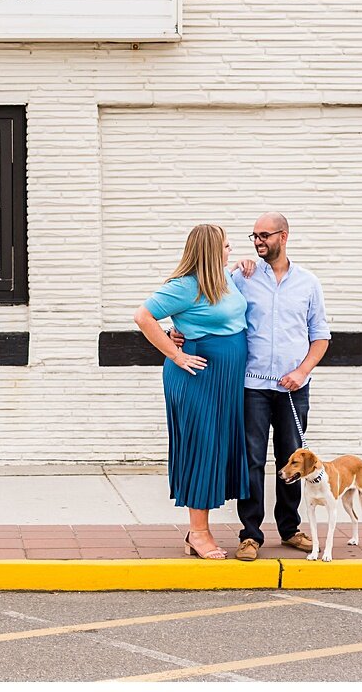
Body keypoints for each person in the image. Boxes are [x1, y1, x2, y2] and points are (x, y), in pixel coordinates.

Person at [132, 223, 250, 560]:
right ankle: (198, 533)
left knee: (218, 448)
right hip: (198, 377)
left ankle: (198, 530)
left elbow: (228, 290)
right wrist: (175, 352)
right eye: (226, 246)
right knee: (203, 448)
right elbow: (143, 316)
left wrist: (242, 264)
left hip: (224, 379)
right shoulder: (184, 287)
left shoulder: (222, 278)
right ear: (211, 251)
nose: (230, 250)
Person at [227, 212, 331, 559]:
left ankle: (289, 530)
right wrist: (231, 269)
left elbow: (320, 337)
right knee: (252, 460)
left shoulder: (308, 283)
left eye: (264, 235)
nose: (258, 241)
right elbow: (209, 299)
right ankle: (250, 534)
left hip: (293, 388)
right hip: (252, 385)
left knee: (293, 460)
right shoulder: (243, 278)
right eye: (253, 235)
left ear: (283, 237)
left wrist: (301, 372)